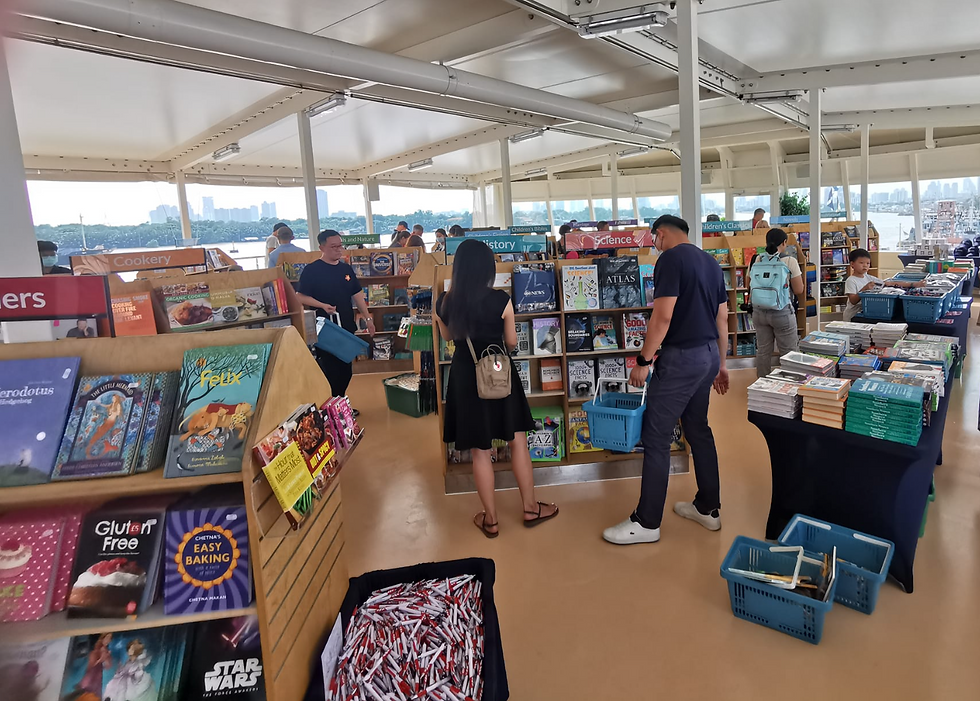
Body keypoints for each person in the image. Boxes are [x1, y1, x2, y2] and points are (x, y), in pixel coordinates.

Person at [603, 215, 728, 546]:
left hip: (681, 359)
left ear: (660, 234)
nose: (655, 244)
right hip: (708, 355)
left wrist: (643, 361)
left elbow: (663, 316)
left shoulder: (670, 260)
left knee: (656, 436)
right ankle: (708, 508)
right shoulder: (710, 263)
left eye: (654, 239)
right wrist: (722, 363)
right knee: (698, 429)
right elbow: (722, 317)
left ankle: (647, 521)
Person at [434, 239, 559, 537]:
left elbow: (448, 337)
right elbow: (512, 342)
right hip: (499, 373)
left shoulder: (444, 302)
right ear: (488, 269)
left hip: (465, 375)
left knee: (480, 450)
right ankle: (530, 507)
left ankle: (490, 520)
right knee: (517, 441)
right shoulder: (501, 299)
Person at [296, 230, 375, 401]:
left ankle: (340, 403)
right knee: (330, 371)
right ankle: (332, 406)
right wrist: (322, 305)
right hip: (324, 329)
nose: (339, 249)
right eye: (334, 246)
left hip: (345, 326)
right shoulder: (312, 270)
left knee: (346, 369)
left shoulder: (346, 268)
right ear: (322, 247)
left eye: (340, 246)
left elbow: (357, 295)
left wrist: (368, 318)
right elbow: (300, 296)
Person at [748, 228, 804, 377]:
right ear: (784, 242)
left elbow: (750, 284)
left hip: (759, 312)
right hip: (782, 312)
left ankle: (762, 383)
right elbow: (799, 289)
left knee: (763, 350)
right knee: (789, 352)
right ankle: (790, 382)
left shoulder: (756, 259)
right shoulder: (789, 261)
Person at [843, 248, 922, 321]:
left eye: (868, 263)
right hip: (852, 316)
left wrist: (914, 284)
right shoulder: (851, 281)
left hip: (864, 313)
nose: (865, 265)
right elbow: (853, 301)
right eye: (861, 263)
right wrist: (864, 289)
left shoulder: (869, 278)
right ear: (852, 264)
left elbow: (889, 283)